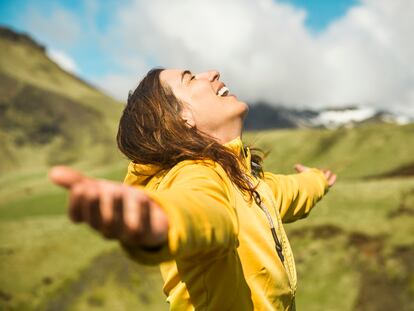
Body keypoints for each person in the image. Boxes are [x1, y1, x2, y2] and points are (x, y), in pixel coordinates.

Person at [50, 68, 336, 310]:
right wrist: (161, 221)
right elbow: (201, 210)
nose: (212, 73)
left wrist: (316, 180)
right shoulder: (196, 173)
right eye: (189, 78)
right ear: (181, 117)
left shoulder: (245, 179)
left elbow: (288, 191)